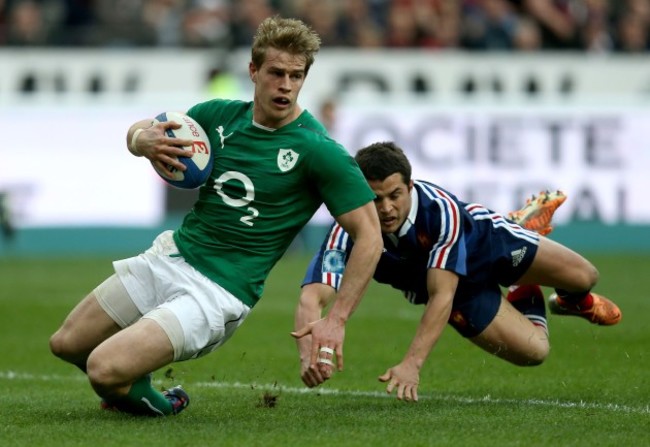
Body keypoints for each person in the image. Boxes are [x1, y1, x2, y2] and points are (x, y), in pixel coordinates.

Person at [49, 16, 383, 417]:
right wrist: (143, 140)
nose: (286, 85)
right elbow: (145, 129)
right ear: (253, 71)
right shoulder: (216, 115)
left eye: (297, 76)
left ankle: (162, 403)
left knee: (103, 369)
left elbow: (370, 235)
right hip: (172, 257)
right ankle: (129, 383)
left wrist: (337, 319)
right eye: (276, 73)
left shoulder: (319, 151)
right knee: (67, 345)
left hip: (217, 293)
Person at [293, 141, 622, 401]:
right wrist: (308, 356)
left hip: (488, 246)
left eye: (394, 195)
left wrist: (412, 364)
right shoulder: (348, 228)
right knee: (536, 352)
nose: (386, 208)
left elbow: (441, 296)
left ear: (410, 187)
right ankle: (523, 286)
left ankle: (552, 275)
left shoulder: (440, 212)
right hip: (461, 291)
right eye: (375, 199)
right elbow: (312, 296)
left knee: (585, 276)